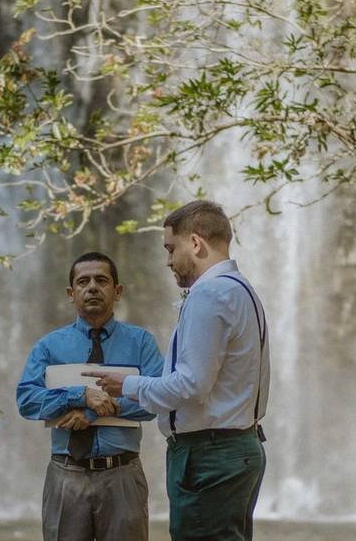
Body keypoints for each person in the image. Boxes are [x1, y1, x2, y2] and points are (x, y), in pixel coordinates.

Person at [86, 201, 270, 541]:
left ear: (196, 243)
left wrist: (128, 384)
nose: (168, 260)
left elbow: (192, 385)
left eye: (171, 248)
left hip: (209, 455)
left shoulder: (210, 294)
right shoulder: (241, 289)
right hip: (237, 448)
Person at [16, 251, 165, 541]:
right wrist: (80, 395)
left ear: (117, 291)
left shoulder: (141, 342)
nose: (93, 287)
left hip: (122, 473)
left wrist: (95, 411)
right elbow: (27, 400)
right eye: (83, 281)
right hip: (66, 473)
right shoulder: (49, 346)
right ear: (71, 293)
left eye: (102, 280)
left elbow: (157, 400)